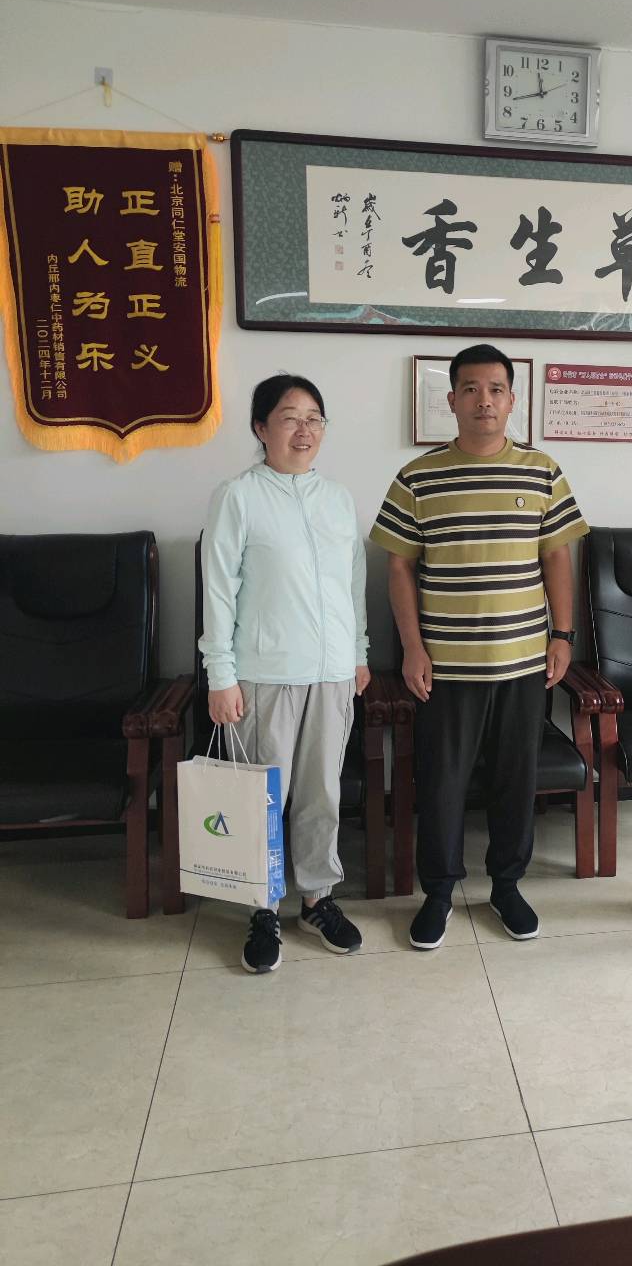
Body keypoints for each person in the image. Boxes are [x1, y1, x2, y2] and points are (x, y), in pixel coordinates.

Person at [371, 344, 588, 950]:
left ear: (512, 400)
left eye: (495, 389)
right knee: (441, 783)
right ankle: (438, 893)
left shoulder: (542, 471)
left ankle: (507, 886)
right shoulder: (417, 477)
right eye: (470, 389)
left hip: (523, 662)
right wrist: (413, 648)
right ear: (452, 400)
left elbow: (557, 557)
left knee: (515, 780)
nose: (483, 400)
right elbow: (399, 568)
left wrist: (563, 637)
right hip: (445, 666)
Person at [199, 374, 370, 974]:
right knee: (261, 800)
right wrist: (220, 674)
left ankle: (317, 900)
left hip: (332, 675)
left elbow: (353, 585)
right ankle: (262, 907)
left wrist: (358, 653)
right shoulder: (238, 496)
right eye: (290, 417)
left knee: (323, 793)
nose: (304, 430)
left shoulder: (338, 499)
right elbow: (218, 591)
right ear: (260, 427)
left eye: (314, 418)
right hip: (263, 675)